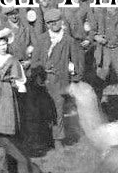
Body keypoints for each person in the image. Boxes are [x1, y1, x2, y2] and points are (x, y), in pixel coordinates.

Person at [30, 8, 83, 148]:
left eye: (56, 21)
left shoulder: (68, 40)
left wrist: (71, 70)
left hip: (61, 81)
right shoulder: (41, 40)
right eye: (49, 22)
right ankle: (44, 138)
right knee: (45, 111)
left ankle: (58, 140)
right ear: (46, 24)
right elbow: (34, 62)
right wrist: (43, 69)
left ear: (61, 21)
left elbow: (77, 62)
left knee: (57, 110)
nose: (53, 24)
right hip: (44, 82)